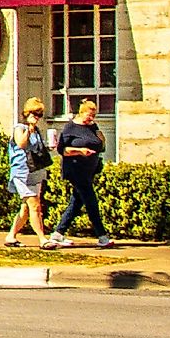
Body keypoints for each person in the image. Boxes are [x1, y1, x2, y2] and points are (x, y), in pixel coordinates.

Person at [45, 99, 112, 249]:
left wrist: (100, 138)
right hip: (75, 169)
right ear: (81, 113)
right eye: (89, 115)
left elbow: (100, 143)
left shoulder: (93, 126)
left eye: (93, 115)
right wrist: (80, 151)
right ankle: (102, 236)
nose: (91, 118)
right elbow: (62, 149)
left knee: (76, 202)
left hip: (89, 170)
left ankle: (58, 233)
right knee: (91, 201)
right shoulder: (70, 127)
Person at [5, 97, 51, 247]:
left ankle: (11, 236)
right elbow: (21, 143)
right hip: (21, 172)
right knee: (35, 205)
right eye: (34, 114)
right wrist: (29, 130)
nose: (37, 117)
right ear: (27, 113)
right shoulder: (20, 128)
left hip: (34, 172)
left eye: (39, 114)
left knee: (25, 208)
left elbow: (37, 150)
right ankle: (42, 239)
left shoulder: (37, 131)